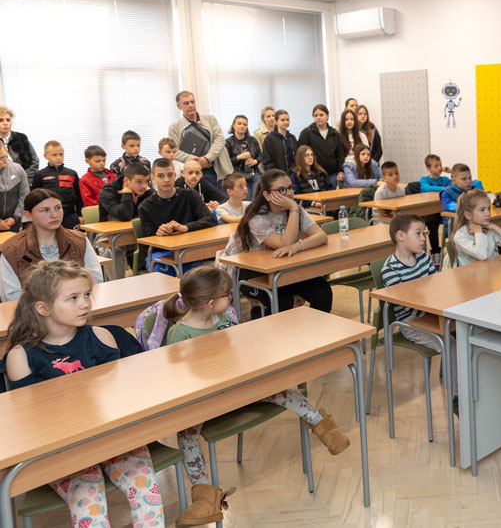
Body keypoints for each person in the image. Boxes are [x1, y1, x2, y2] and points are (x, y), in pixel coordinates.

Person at [157, 265, 348, 527]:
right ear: (210, 303)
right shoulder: (179, 334)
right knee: (186, 434)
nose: (231, 298)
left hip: (239, 389)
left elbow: (241, 342)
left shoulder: (223, 319)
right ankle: (205, 499)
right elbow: (179, 376)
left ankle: (323, 427)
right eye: (226, 295)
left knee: (280, 389)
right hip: (208, 401)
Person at [3, 260, 165, 528]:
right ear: (43, 308)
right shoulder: (21, 357)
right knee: (90, 505)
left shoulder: (101, 337)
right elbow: (29, 421)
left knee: (146, 490)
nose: (85, 304)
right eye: (73, 298)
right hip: (62, 450)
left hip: (112, 438)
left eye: (87, 294)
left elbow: (120, 396)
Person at [220, 169, 332, 317]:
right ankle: (268, 326)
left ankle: (314, 331)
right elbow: (284, 244)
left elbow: (321, 236)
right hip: (252, 273)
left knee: (323, 293)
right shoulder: (257, 217)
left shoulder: (296, 210)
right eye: (281, 190)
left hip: (283, 268)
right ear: (267, 195)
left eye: (290, 188)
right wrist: (293, 209)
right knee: (281, 300)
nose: (289, 193)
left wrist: (297, 246)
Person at [380, 213, 457, 394]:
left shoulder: (423, 257)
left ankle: (470, 388)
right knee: (453, 346)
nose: (424, 238)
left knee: (466, 334)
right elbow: (408, 303)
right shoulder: (390, 269)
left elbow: (435, 285)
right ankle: (457, 395)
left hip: (432, 315)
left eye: (424, 233)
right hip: (411, 324)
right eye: (418, 233)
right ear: (401, 236)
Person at [0, 189, 103, 301]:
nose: (54, 215)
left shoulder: (79, 240)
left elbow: (95, 280)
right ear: (28, 215)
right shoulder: (12, 249)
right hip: (33, 311)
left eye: (58, 208)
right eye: (45, 210)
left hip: (77, 306)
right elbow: (11, 297)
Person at [138, 159, 216, 274]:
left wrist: (185, 227)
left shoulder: (190, 195)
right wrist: (159, 232)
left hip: (189, 249)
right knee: (162, 273)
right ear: (152, 178)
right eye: (161, 176)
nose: (166, 180)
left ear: (175, 175)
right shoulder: (145, 207)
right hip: (162, 252)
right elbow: (148, 238)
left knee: (195, 275)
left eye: (170, 175)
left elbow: (210, 219)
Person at [168, 91, 233, 190]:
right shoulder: (175, 127)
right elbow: (174, 151)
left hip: (219, 168)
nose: (190, 105)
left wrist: (207, 158)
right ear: (179, 106)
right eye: (186, 103)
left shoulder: (210, 119)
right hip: (195, 172)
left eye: (192, 102)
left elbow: (220, 140)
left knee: (224, 197)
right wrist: (196, 160)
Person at [452, 189, 501, 266]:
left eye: (488, 208)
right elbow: (482, 255)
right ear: (468, 215)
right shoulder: (460, 236)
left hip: (492, 269)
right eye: (482, 210)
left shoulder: (489, 229)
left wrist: (495, 227)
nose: (488, 213)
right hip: (472, 273)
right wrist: (478, 231)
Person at [32, 140, 84, 229]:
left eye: (61, 154)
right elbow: (34, 197)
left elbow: (79, 196)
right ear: (45, 156)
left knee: (72, 236)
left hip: (69, 214)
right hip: (48, 215)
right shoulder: (40, 174)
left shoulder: (72, 173)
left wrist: (80, 214)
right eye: (54, 155)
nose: (58, 158)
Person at [298, 104, 346, 189]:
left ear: (327, 115)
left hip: (332, 174)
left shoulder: (334, 133)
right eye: (316, 115)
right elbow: (301, 154)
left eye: (321, 115)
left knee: (331, 196)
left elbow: (340, 154)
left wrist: (340, 171)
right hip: (314, 175)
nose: (318, 118)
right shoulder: (306, 133)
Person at [419, 154, 451, 264]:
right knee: (432, 223)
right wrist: (444, 188)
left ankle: (453, 249)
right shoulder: (424, 180)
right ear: (428, 168)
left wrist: (451, 172)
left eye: (440, 165)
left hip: (443, 210)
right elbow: (426, 188)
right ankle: (436, 252)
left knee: (453, 220)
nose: (440, 167)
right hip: (430, 211)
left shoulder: (445, 179)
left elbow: (455, 185)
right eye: (436, 166)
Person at [226, 114, 262, 198]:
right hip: (237, 175)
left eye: (245, 124)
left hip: (254, 173)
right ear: (233, 125)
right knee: (245, 200)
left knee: (256, 199)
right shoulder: (228, 142)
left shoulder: (252, 140)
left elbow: (261, 156)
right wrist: (239, 157)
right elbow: (226, 162)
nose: (242, 126)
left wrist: (255, 161)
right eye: (239, 124)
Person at [0, 105, 39, 183]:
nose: (5, 123)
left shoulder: (21, 138)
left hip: (23, 180)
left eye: (8, 120)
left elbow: (34, 162)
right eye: (1, 120)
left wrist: (23, 179)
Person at [0, 144, 29, 232]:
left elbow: (24, 194)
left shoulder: (18, 169)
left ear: (6, 151)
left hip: (14, 223)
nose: (0, 162)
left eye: (3, 157)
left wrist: (15, 217)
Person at [261, 109, 299, 173]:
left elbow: (298, 156)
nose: (286, 122)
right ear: (276, 122)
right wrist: (277, 174)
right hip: (278, 175)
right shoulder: (269, 139)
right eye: (282, 120)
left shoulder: (292, 137)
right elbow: (267, 161)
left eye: (287, 120)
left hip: (294, 174)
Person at [80, 144, 116, 208]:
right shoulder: (84, 180)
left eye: (104, 160)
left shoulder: (113, 176)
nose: (102, 163)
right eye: (98, 161)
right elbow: (89, 201)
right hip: (99, 210)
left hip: (116, 208)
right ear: (87, 161)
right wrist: (106, 206)